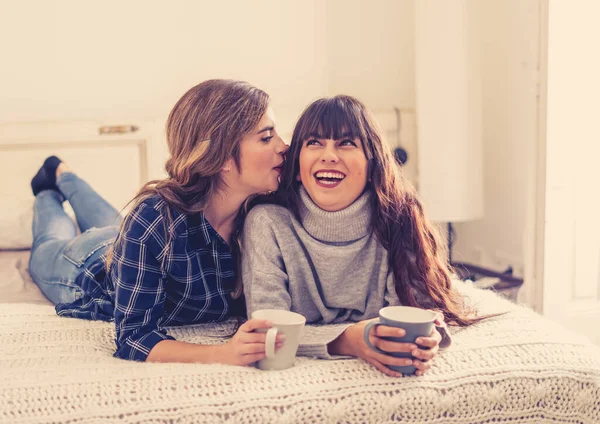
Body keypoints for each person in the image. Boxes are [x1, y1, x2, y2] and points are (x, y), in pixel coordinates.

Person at [28, 79, 288, 364]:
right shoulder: (154, 218)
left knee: (113, 221)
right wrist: (222, 353)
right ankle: (49, 188)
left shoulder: (263, 213)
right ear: (222, 156)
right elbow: (134, 340)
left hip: (123, 242)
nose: (284, 146)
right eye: (266, 137)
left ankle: (63, 173)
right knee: (49, 241)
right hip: (87, 266)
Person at [241, 95, 485, 377]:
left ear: (372, 166)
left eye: (346, 143)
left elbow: (415, 313)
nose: (329, 155)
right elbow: (270, 331)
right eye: (314, 142)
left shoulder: (399, 218)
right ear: (296, 167)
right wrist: (347, 340)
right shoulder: (267, 223)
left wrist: (426, 340)